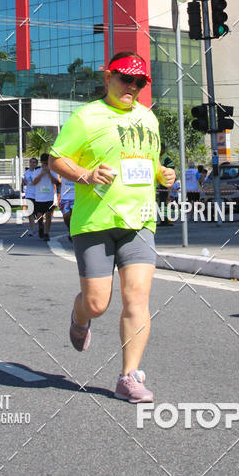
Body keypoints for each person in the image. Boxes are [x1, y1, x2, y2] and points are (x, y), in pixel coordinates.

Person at [49, 51, 175, 403]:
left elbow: (147, 163)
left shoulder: (148, 119)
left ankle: (128, 377)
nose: (131, 87)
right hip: (95, 222)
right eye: (125, 79)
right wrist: (85, 175)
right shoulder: (86, 117)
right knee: (97, 302)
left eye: (139, 82)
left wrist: (163, 174)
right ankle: (79, 315)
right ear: (108, 77)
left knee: (137, 297)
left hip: (140, 221)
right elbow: (56, 158)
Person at [32, 153, 60, 240]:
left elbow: (56, 182)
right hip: (39, 198)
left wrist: (49, 173)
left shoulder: (53, 171)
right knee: (39, 216)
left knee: (48, 216)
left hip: (49, 197)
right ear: (41, 163)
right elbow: (34, 182)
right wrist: (41, 174)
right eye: (44, 164)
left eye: (46, 164)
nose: (45, 166)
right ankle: (41, 228)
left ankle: (47, 233)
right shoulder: (36, 171)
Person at [21, 157, 38, 236]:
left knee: (39, 213)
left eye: (34, 162)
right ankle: (32, 229)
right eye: (31, 162)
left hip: (38, 195)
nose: (32, 164)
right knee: (30, 212)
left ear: (36, 164)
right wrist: (23, 182)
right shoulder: (27, 172)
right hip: (29, 194)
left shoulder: (38, 172)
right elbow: (24, 182)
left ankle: (41, 228)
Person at [59, 175, 75, 242]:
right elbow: (58, 180)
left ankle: (73, 232)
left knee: (74, 216)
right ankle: (70, 229)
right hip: (65, 197)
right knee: (66, 216)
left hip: (76, 196)